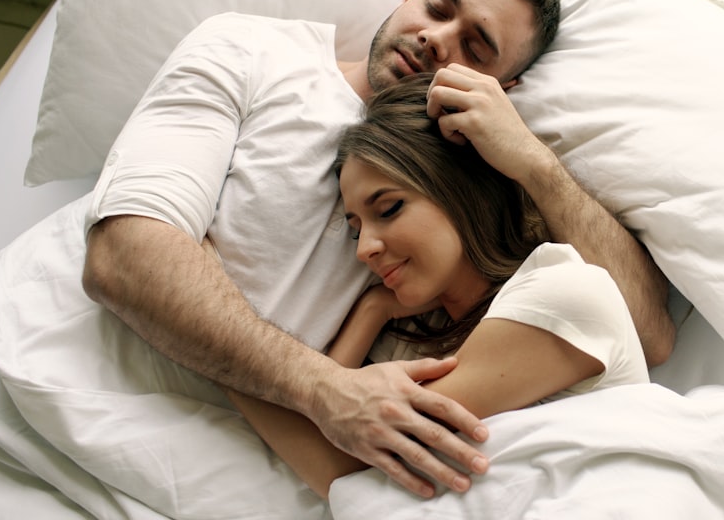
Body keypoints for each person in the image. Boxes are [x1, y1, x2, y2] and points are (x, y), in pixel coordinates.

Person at [79, 0, 674, 499]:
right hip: (115, 416)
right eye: (438, 7)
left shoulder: (532, 285)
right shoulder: (258, 52)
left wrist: (533, 162)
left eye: (476, 48)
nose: (438, 39)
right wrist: (336, 370)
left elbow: (649, 334)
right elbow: (121, 256)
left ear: (503, 89)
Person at [217, 73, 650, 499]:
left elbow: (340, 467)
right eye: (355, 229)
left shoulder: (565, 292)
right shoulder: (406, 346)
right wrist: (372, 311)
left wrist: (213, 344)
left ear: (458, 189)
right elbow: (329, 426)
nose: (364, 248)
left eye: (388, 208)